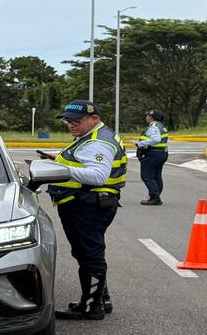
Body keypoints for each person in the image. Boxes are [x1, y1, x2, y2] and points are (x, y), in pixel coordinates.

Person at [45, 100, 127, 320]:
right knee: (85, 252)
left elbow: (98, 175)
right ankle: (101, 299)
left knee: (90, 254)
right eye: (68, 121)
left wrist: (58, 168)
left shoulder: (97, 142)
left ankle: (92, 306)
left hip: (87, 204)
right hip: (87, 202)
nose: (71, 125)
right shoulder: (91, 136)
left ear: (94, 119)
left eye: (76, 121)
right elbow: (85, 163)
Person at [135, 109, 169, 205]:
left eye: (147, 116)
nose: (146, 117)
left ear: (151, 117)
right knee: (157, 176)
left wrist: (141, 143)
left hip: (153, 153)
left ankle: (154, 197)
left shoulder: (153, 126)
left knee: (147, 176)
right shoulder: (161, 126)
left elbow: (156, 139)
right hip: (161, 153)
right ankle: (156, 195)